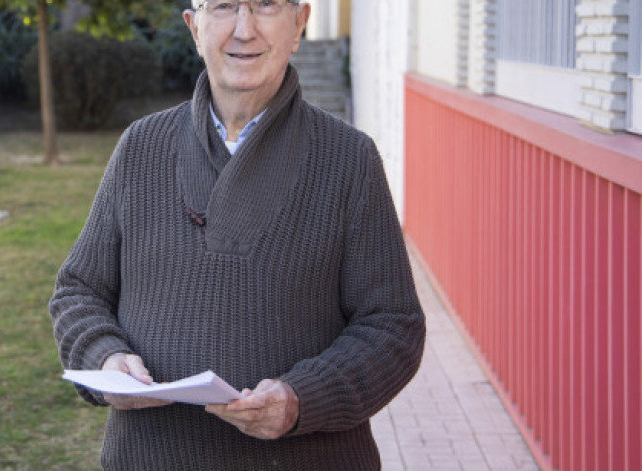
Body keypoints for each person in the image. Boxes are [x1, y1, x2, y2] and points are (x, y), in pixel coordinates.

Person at [48, 0, 426, 469]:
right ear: (194, 27)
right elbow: (78, 291)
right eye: (224, 6)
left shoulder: (349, 161)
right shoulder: (140, 148)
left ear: (300, 23)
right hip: (150, 457)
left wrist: (300, 398)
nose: (244, 29)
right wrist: (104, 359)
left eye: (266, 5)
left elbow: (393, 326)